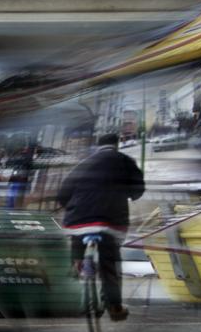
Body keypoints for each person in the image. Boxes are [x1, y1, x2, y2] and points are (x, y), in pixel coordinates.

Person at [57, 133, 145, 321]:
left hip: (79, 219)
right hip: (110, 221)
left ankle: (77, 266)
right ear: (117, 144)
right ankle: (114, 307)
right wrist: (128, 194)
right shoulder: (125, 161)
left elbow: (63, 192)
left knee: (77, 238)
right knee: (109, 263)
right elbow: (138, 189)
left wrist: (71, 206)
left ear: (98, 146)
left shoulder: (84, 163)